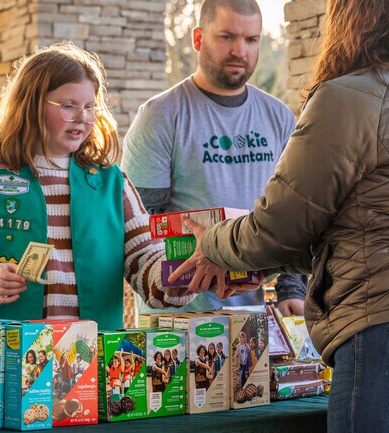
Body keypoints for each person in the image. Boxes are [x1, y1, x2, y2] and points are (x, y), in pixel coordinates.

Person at [171, 0, 389, 431]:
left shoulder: (348, 97)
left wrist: (211, 244)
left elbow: (279, 227)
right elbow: (371, 230)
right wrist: (267, 264)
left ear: (349, 19)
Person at [0, 41, 249, 329]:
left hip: (94, 368)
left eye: (90, 106)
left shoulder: (114, 185)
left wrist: (190, 272)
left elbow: (147, 265)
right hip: (7, 372)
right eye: (68, 106)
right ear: (31, 105)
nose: (83, 117)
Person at [121, 0, 306, 317]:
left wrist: (292, 289)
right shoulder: (161, 115)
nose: (240, 51)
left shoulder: (278, 117)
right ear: (197, 39)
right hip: (176, 318)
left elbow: (294, 212)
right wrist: (204, 255)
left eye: (251, 40)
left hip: (255, 314)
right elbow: (139, 224)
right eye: (226, 37)